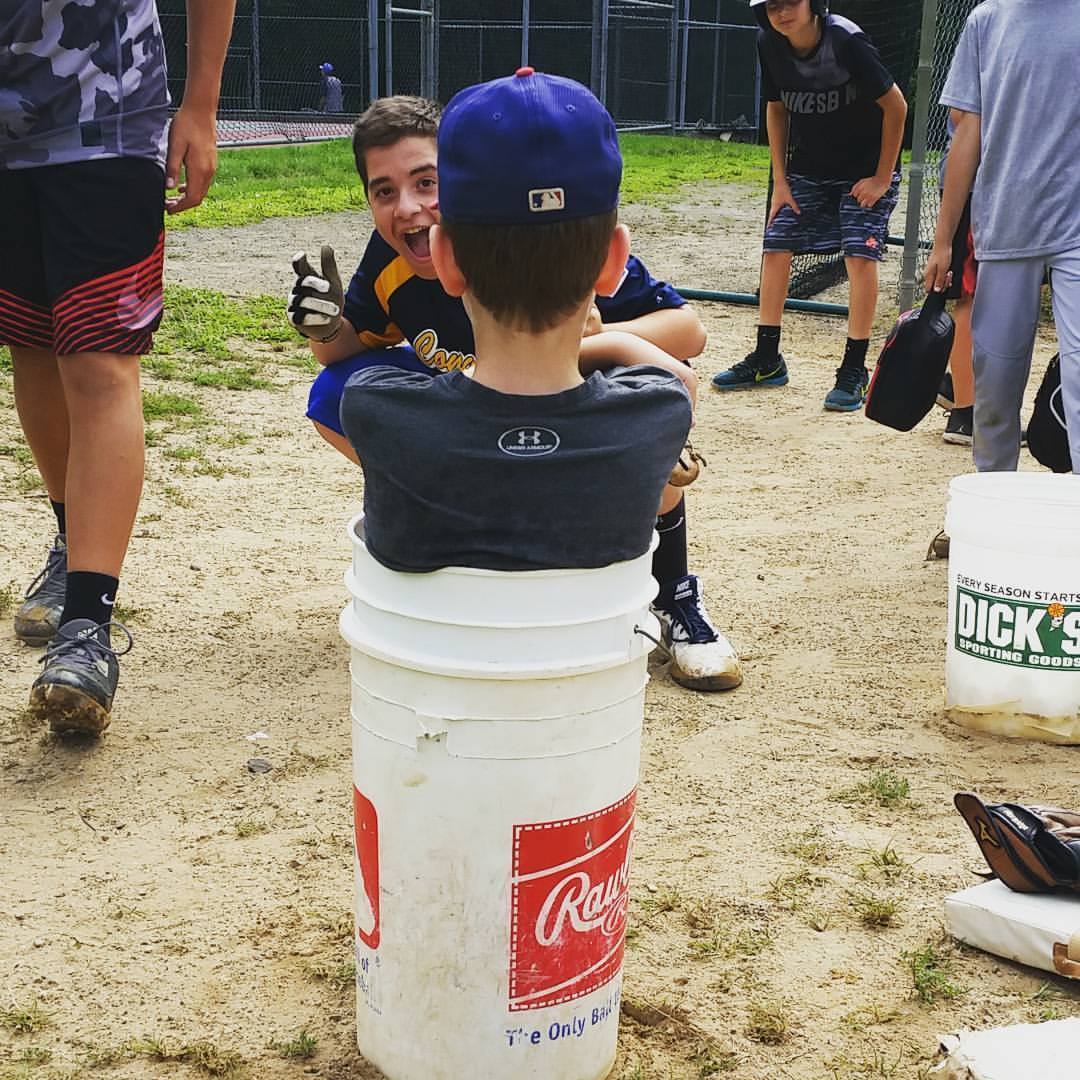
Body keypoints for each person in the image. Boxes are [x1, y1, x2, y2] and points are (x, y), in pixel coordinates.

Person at [288, 95, 743, 692]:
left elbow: (688, 332)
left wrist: (586, 342)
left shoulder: (524, 241)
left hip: (568, 399)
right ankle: (456, 535)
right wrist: (326, 327)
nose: (408, 208)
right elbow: (349, 354)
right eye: (383, 191)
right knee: (332, 393)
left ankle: (675, 592)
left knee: (649, 401)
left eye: (427, 182)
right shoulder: (391, 262)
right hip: (475, 406)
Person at [339, 67, 692, 579]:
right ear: (614, 261)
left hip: (428, 655)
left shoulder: (375, 405)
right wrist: (621, 348)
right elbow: (678, 377)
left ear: (447, 262)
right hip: (599, 654)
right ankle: (676, 593)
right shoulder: (660, 405)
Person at [1, 0, 236, 736]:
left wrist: (199, 104)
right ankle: (74, 546)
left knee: (98, 362)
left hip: (107, 110)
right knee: (32, 346)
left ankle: (87, 631)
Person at [711, 0, 907, 412]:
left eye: (790, 2)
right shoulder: (769, 42)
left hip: (865, 171)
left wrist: (881, 177)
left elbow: (896, 106)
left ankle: (854, 368)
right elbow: (776, 108)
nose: (781, 12)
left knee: (858, 252)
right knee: (777, 241)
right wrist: (781, 182)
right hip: (810, 169)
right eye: (771, 5)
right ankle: (767, 359)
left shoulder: (845, 40)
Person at [924, 0, 1080, 476]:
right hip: (1006, 228)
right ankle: (990, 510)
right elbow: (965, 131)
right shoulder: (987, 20)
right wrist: (944, 239)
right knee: (994, 389)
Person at [936, 114, 976, 447]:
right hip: (973, 185)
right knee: (972, 298)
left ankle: (958, 387)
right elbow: (960, 115)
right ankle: (966, 414)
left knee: (991, 299)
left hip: (997, 185)